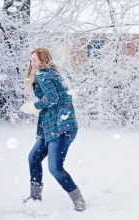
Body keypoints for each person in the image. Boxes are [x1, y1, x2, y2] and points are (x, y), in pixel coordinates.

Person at [21, 47, 86, 211]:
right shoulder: (53, 73)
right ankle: (35, 197)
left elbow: (53, 98)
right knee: (33, 158)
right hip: (52, 127)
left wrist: (34, 106)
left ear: (43, 60)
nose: (32, 63)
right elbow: (58, 98)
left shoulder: (44, 74)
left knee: (55, 168)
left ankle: (78, 200)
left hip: (60, 127)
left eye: (34, 60)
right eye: (31, 60)